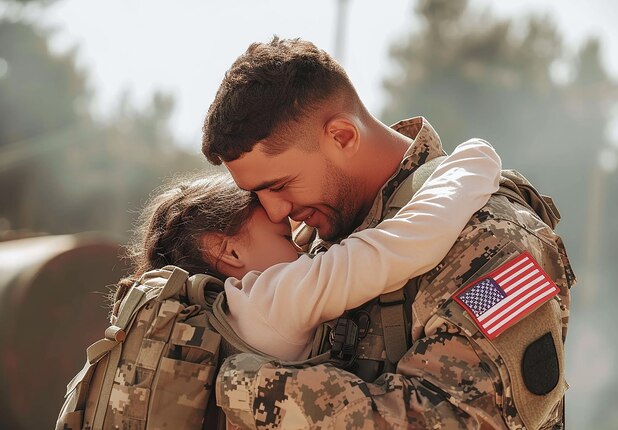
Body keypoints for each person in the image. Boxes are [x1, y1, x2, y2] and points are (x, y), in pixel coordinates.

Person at [202, 37, 576, 428]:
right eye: (257, 194)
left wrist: (243, 387)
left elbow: (467, 418)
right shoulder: (311, 241)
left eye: (280, 186)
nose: (275, 211)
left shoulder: (492, 236)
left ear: (342, 136)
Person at [122, 139, 500, 363]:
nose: (304, 248)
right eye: (284, 238)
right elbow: (407, 243)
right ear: (229, 252)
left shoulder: (216, 316)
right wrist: (475, 156)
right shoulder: (272, 298)